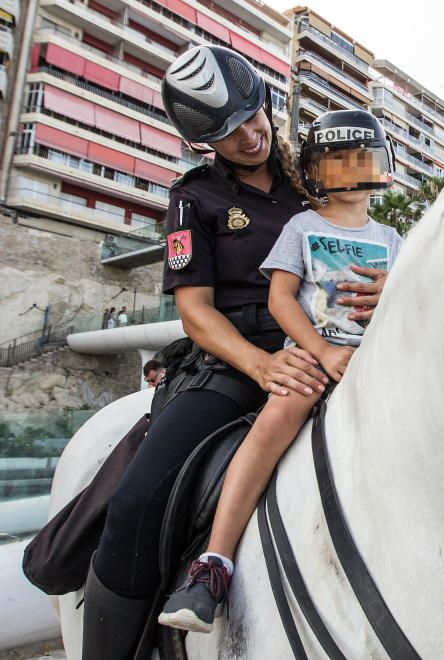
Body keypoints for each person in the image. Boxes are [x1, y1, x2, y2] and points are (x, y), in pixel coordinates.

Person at [81, 48, 388, 659]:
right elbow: (195, 310)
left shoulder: (316, 181)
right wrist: (261, 364)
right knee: (136, 503)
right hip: (238, 360)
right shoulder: (193, 197)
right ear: (203, 142)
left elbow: (366, 248)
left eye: (253, 117)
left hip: (339, 348)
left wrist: (383, 291)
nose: (250, 137)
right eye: (226, 133)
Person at [158, 109, 402, 633]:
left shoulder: (394, 238)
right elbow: (281, 296)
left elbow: (404, 301)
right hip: (316, 355)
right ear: (318, 170)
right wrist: (320, 350)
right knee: (271, 427)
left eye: (362, 160)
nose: (351, 171)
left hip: (377, 357)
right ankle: (213, 563)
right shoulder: (302, 225)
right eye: (338, 162)